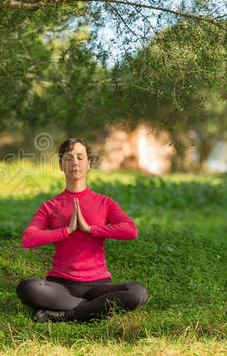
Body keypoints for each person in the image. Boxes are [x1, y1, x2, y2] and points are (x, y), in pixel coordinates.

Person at [15, 138, 149, 323]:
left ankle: (67, 314)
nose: (75, 163)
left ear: (88, 164)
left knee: (137, 293)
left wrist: (91, 229)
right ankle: (95, 309)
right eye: (68, 158)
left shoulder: (104, 202)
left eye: (80, 157)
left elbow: (131, 231)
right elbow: (28, 239)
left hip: (98, 286)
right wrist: (66, 231)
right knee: (27, 288)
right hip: (61, 285)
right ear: (61, 165)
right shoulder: (50, 206)